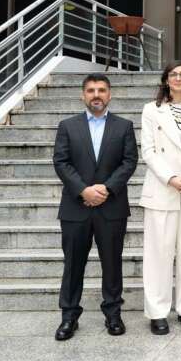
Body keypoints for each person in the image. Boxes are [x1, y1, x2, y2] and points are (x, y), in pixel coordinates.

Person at [52, 74, 138, 341]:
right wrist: (83, 190)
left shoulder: (124, 126)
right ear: (83, 95)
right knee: (73, 264)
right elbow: (61, 161)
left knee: (112, 264)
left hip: (111, 207)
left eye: (101, 90)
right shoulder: (68, 126)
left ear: (109, 94)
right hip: (75, 208)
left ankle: (113, 314)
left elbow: (129, 161)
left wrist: (106, 189)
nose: (96, 94)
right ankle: (69, 317)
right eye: (91, 90)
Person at [139, 61, 181, 335]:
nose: (179, 78)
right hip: (162, 190)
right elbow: (149, 151)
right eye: (174, 75)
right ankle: (157, 311)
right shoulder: (151, 110)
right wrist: (171, 178)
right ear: (166, 80)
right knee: (159, 254)